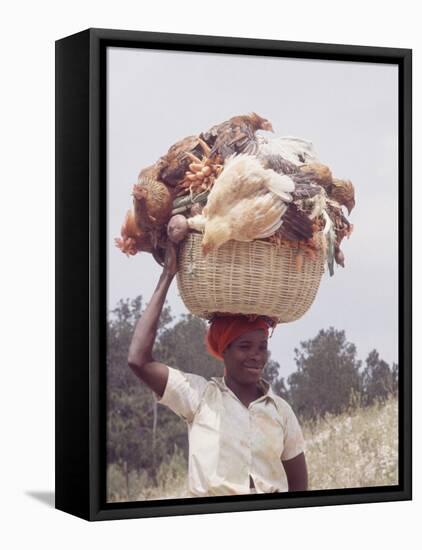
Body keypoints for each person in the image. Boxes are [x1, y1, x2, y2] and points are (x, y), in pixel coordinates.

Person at [128, 239, 308, 497]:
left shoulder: (281, 411)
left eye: (261, 347)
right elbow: (138, 360)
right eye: (245, 347)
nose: (256, 356)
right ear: (224, 350)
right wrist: (168, 275)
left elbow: (299, 486)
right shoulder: (200, 397)